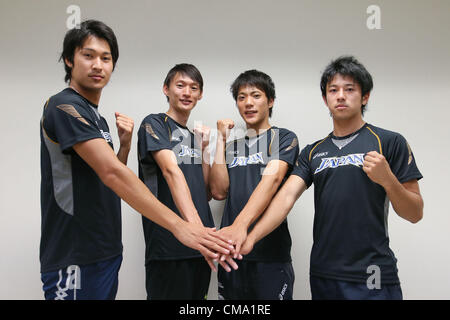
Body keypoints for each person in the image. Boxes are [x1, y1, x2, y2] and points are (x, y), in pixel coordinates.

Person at [40, 20, 232, 300]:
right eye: (88, 55)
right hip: (74, 253)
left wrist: (125, 145)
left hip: (105, 249)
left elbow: (107, 178)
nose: (98, 65)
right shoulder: (63, 106)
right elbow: (117, 175)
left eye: (106, 58)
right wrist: (185, 226)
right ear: (69, 59)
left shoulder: (97, 118)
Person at [239, 56, 424, 300]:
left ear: (365, 96)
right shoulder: (313, 151)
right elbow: (285, 198)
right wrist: (250, 237)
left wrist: (388, 179)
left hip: (373, 273)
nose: (340, 96)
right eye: (333, 90)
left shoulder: (389, 142)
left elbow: (415, 213)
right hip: (324, 274)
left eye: (350, 89)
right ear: (325, 99)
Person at [210, 70, 299, 300]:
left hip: (270, 255)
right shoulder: (232, 148)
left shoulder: (284, 138)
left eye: (256, 95)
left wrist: (242, 225)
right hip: (232, 255)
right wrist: (220, 140)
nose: (248, 103)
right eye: (241, 97)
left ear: (270, 101)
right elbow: (219, 191)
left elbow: (274, 179)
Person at [137, 63, 218, 300]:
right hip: (168, 248)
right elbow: (170, 171)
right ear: (166, 89)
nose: (186, 92)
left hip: (200, 247)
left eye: (194, 88)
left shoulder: (194, 137)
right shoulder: (154, 123)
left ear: (200, 94)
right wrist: (197, 231)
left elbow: (205, 192)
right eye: (180, 85)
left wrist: (203, 150)